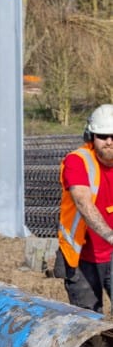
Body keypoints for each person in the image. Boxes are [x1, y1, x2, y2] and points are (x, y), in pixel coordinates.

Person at [57, 104, 113, 311]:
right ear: (91, 136)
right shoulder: (78, 161)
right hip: (83, 257)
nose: (109, 142)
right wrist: (109, 235)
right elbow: (83, 202)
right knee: (88, 322)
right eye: (102, 136)